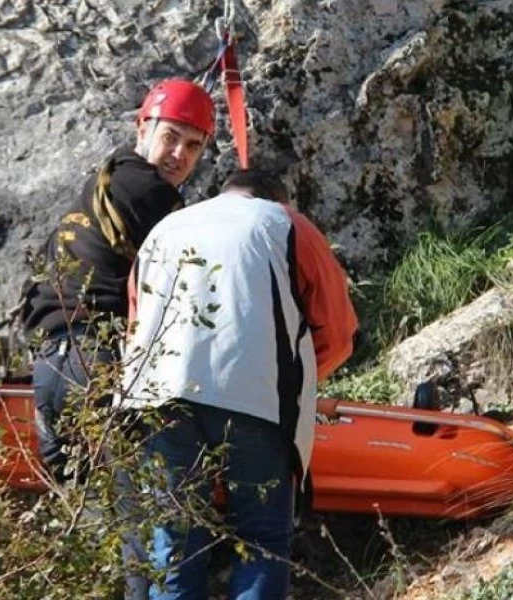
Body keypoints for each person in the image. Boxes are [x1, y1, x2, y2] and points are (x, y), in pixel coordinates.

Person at [120, 169, 358, 599]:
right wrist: (298, 384)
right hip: (255, 402)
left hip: (157, 398)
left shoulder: (164, 229)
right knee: (261, 542)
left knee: (175, 544)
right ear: (277, 199)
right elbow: (339, 334)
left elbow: (135, 324)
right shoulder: (284, 222)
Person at [19, 78, 216, 483]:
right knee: (137, 519)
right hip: (95, 364)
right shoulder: (150, 193)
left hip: (50, 368)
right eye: (171, 137)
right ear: (142, 129)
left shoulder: (104, 182)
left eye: (193, 146)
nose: (179, 155)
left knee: (87, 515)